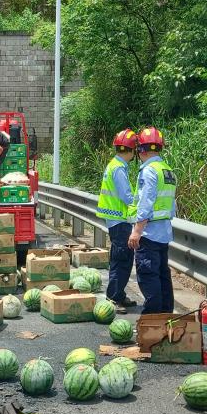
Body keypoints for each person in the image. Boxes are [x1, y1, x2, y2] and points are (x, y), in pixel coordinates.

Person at [129, 126, 177, 314]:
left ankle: (151, 320)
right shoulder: (167, 170)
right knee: (163, 276)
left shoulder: (149, 171)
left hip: (148, 233)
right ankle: (167, 317)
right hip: (164, 232)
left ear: (142, 149)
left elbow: (146, 202)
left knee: (149, 276)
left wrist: (137, 231)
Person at [96, 129, 140, 314]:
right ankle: (114, 296)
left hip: (115, 220)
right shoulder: (119, 168)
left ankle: (118, 294)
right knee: (121, 259)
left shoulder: (113, 164)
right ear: (132, 150)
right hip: (120, 221)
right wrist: (141, 206)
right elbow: (126, 196)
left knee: (122, 257)